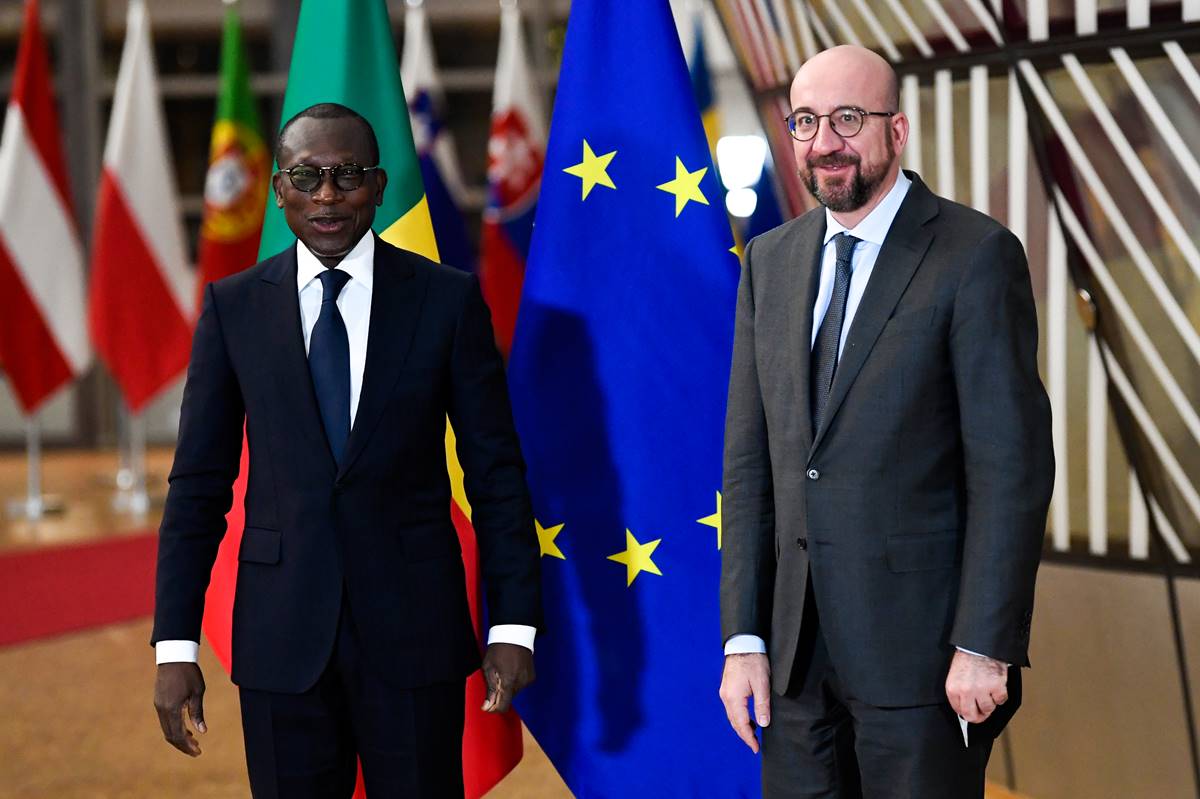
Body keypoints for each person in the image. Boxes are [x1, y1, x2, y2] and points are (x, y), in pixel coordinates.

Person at [151, 102, 541, 798]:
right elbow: (198, 487)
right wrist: (174, 644)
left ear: (379, 185)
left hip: (415, 633)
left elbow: (496, 475)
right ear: (279, 190)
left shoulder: (446, 301)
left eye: (348, 175)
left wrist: (513, 625)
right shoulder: (234, 308)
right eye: (306, 177)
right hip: (280, 638)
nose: (327, 195)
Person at [718, 46, 1053, 798]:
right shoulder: (768, 261)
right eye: (806, 121)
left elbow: (1011, 467)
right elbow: (748, 466)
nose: (825, 141)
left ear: (896, 131)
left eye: (848, 118)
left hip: (924, 664)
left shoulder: (975, 256)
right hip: (793, 665)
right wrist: (743, 638)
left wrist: (985, 643)